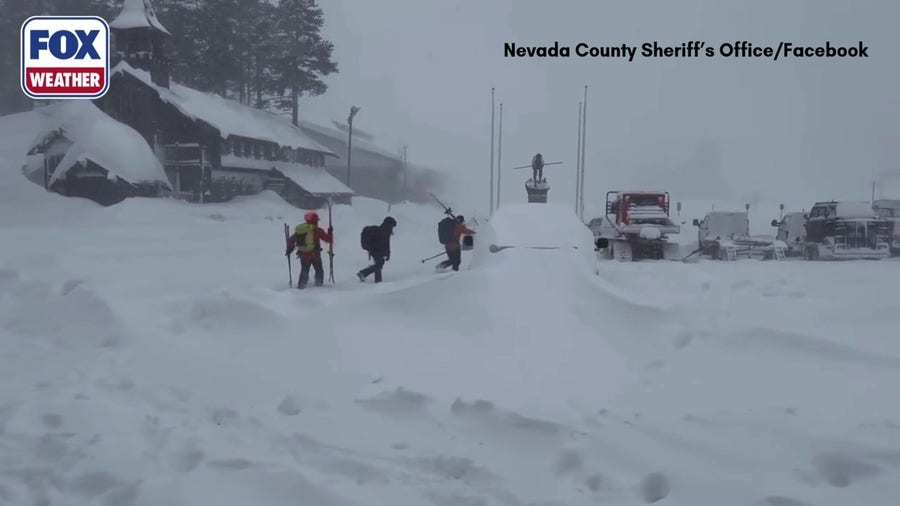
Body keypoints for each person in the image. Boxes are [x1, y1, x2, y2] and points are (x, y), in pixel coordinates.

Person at [286, 211, 333, 289]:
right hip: (315, 255)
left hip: (303, 255)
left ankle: (301, 286)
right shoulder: (317, 230)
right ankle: (318, 286)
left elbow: (291, 240)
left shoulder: (301, 230)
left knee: (304, 271)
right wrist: (330, 232)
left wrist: (289, 249)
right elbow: (329, 239)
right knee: (319, 270)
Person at [357, 216, 397, 283]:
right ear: (390, 224)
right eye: (393, 226)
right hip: (377, 251)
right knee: (378, 265)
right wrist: (387, 254)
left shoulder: (381, 229)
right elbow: (386, 244)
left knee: (379, 265)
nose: (392, 228)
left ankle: (377, 281)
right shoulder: (385, 231)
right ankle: (364, 274)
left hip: (373, 250)